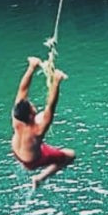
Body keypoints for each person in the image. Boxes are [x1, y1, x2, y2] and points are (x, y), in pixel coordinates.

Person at [11, 56, 75, 188]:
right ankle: (40, 178)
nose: (32, 104)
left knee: (39, 119)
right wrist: (56, 81)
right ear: (29, 115)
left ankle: (33, 152)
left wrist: (31, 67)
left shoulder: (17, 116)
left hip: (16, 151)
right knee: (70, 155)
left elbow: (22, 89)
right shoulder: (38, 130)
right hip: (31, 161)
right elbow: (51, 106)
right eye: (31, 106)